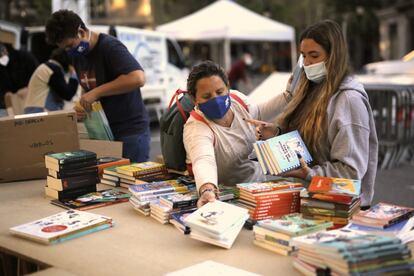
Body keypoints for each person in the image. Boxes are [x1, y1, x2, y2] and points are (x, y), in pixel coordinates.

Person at [247, 20, 378, 208]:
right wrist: (276, 134)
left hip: (336, 206)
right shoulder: (308, 88)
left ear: (334, 56)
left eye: (314, 56)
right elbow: (305, 149)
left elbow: (351, 172)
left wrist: (310, 174)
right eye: (304, 56)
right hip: (305, 198)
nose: (307, 63)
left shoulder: (348, 100)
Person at [183, 61, 293, 207]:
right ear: (194, 98)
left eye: (220, 92)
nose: (216, 99)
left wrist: (289, 95)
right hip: (235, 198)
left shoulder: (237, 100)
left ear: (228, 87)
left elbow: (258, 112)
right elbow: (203, 159)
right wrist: (207, 189)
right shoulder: (196, 127)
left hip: (263, 185)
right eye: (207, 96)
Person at [45, 10, 150, 162]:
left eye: (69, 45)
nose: (68, 51)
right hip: (104, 133)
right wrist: (83, 104)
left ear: (81, 32)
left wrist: (96, 93)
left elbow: (138, 78)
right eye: (64, 48)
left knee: (132, 184)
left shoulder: (110, 47)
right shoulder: (77, 55)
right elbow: (86, 85)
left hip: (129, 132)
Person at [24, 48, 79, 114]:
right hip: (40, 111)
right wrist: (74, 74)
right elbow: (68, 94)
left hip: (33, 109)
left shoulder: (46, 67)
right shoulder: (53, 68)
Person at [0, 42, 38, 116]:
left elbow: (39, 78)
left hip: (30, 102)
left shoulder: (25, 58)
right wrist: (6, 96)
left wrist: (29, 88)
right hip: (7, 107)